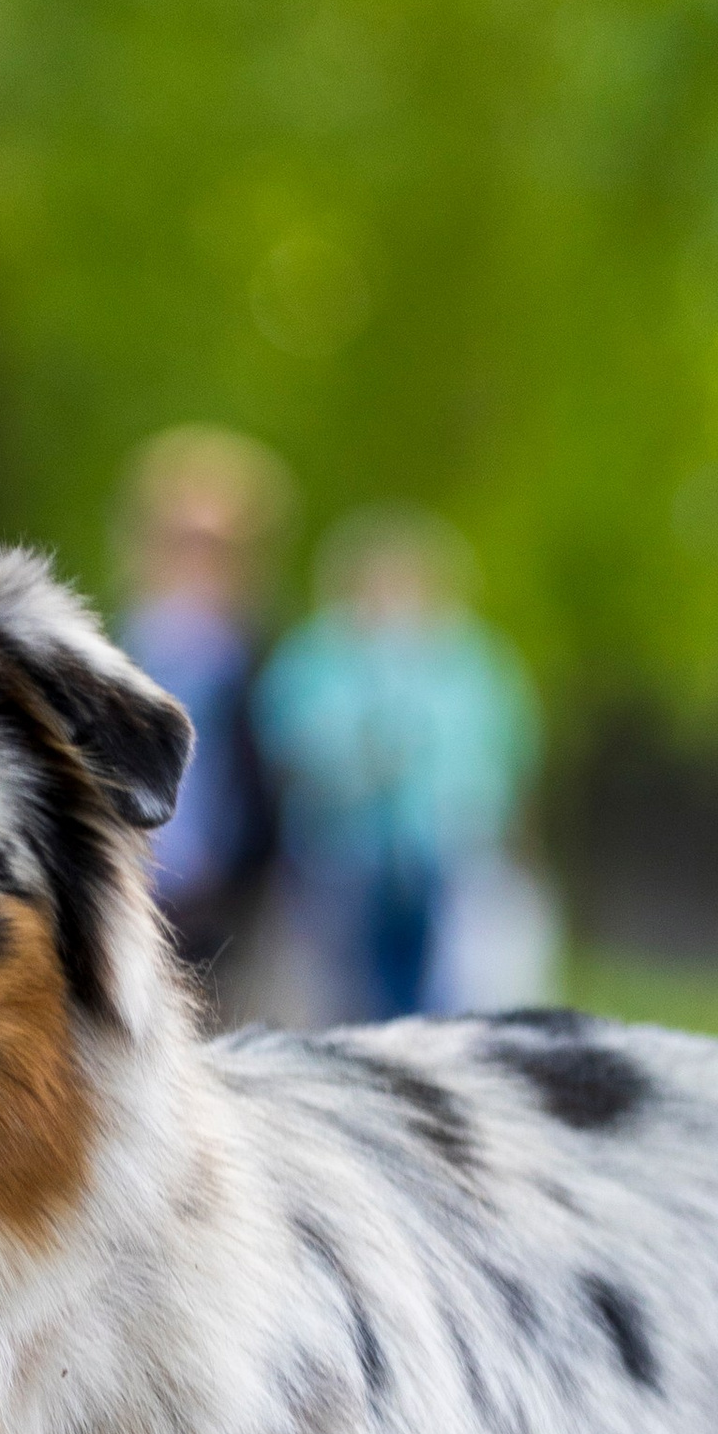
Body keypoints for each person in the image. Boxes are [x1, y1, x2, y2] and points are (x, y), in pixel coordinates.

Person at [254, 509, 538, 1022]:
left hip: (445, 851)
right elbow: (290, 743)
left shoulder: (474, 660)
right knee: (343, 989)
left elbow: (503, 753)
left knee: (444, 988)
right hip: (341, 854)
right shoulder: (315, 656)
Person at [112, 428, 292, 988]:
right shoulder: (118, 650)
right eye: (183, 541)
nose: (197, 562)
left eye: (214, 546)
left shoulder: (261, 661)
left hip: (229, 891)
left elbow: (271, 780)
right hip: (134, 880)